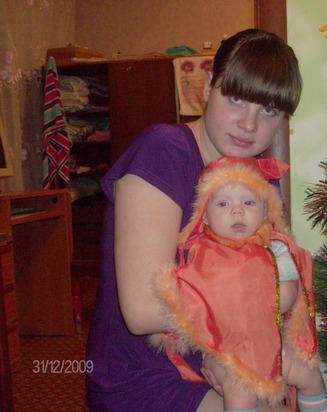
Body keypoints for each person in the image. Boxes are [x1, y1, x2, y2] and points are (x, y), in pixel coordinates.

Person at [85, 29, 308, 411]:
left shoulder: (257, 181)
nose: (249, 124)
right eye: (236, 99)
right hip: (145, 375)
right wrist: (263, 304)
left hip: (225, 360)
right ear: (207, 86)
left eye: (269, 110)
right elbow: (142, 310)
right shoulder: (163, 151)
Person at [150, 156, 327, 412]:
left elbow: (288, 295)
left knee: (311, 375)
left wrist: (240, 300)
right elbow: (190, 302)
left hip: (274, 348)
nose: (237, 210)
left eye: (248, 202)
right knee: (240, 393)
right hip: (227, 354)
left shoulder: (276, 248)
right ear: (205, 216)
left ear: (265, 211)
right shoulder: (200, 254)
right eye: (223, 203)